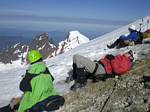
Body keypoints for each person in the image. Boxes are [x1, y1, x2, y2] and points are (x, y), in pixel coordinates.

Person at [70, 50, 134, 91]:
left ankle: (81, 82)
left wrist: (112, 60)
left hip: (101, 69)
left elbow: (117, 70)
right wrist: (108, 57)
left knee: (78, 58)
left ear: (131, 57)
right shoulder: (121, 57)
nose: (127, 52)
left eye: (129, 53)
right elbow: (111, 62)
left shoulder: (126, 63)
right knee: (75, 57)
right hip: (99, 64)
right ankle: (75, 75)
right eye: (128, 52)